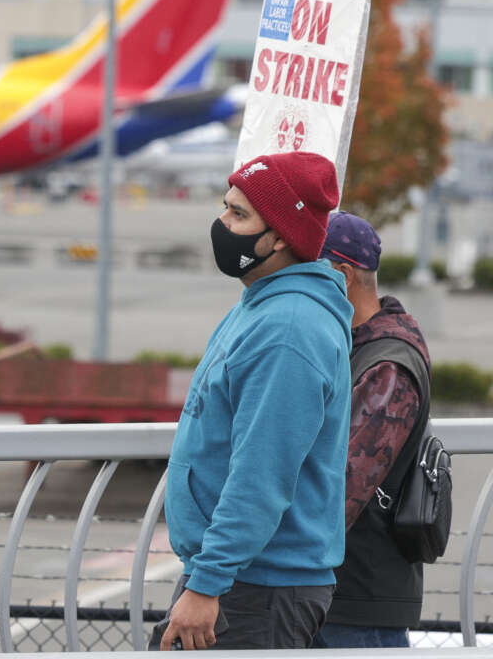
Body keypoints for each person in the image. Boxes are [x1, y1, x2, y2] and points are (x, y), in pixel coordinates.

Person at [152, 152, 353, 651]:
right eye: (226, 207)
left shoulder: (287, 329)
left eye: (239, 215)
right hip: (234, 579)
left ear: (282, 235)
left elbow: (261, 474)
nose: (221, 224)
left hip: (256, 587)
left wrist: (207, 583)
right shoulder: (260, 306)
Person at [312, 212, 432, 649]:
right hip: (342, 591)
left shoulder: (386, 366)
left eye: (306, 269)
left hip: (357, 601)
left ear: (340, 275)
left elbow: (343, 487)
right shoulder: (354, 345)